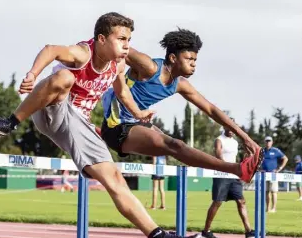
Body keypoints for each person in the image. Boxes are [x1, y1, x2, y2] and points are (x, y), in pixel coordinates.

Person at [0, 13, 200, 238]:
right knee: (64, 77)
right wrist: (32, 74)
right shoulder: (84, 53)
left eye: (129, 39)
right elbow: (51, 49)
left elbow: (123, 93)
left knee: (113, 176)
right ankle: (10, 122)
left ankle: (157, 237)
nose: (127, 45)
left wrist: (139, 114)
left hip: (77, 124)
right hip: (52, 109)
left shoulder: (118, 66)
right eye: (121, 39)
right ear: (102, 39)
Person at [101, 28, 263, 184]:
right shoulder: (149, 67)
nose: (193, 64)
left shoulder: (180, 84)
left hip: (137, 123)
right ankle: (238, 170)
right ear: (173, 58)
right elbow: (120, 48)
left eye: (195, 60)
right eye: (189, 59)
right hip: (115, 126)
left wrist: (246, 138)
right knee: (175, 145)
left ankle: (239, 170)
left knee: (175, 145)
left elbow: (211, 109)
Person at [201, 123, 254, 238]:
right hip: (222, 174)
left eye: (233, 128)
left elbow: (236, 158)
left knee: (241, 201)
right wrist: (226, 167)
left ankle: (249, 231)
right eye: (229, 127)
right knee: (218, 202)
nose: (231, 130)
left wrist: (247, 157)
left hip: (233, 176)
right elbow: (218, 153)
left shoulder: (235, 142)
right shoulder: (219, 140)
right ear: (224, 127)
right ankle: (206, 231)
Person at [261, 136, 288, 213]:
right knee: (266, 191)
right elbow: (257, 161)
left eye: (269, 141)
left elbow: (285, 159)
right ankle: (268, 208)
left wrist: (279, 168)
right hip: (264, 174)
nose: (268, 142)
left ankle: (274, 208)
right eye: (266, 141)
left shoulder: (276, 150)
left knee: (273, 191)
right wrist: (259, 169)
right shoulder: (262, 151)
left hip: (273, 174)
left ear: (272, 142)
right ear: (264, 142)